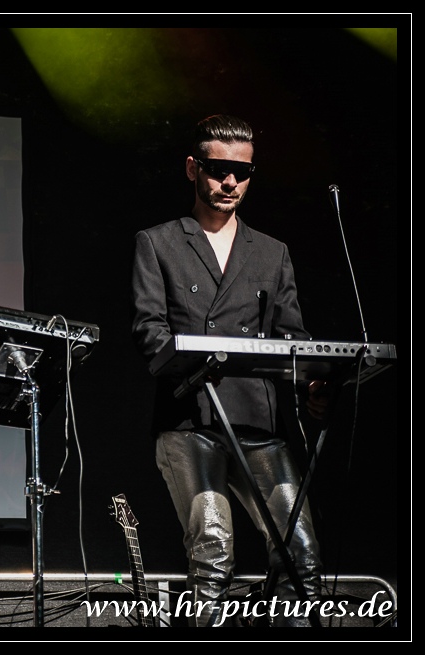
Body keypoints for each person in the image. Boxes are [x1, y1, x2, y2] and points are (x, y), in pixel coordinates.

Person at [130, 114, 325, 627]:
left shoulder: (272, 252)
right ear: (192, 168)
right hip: (190, 420)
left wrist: (313, 382)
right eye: (219, 170)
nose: (231, 182)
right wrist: (195, 360)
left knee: (301, 549)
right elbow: (149, 330)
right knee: (212, 549)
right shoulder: (159, 242)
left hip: (258, 422)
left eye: (243, 172)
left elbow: (293, 338)